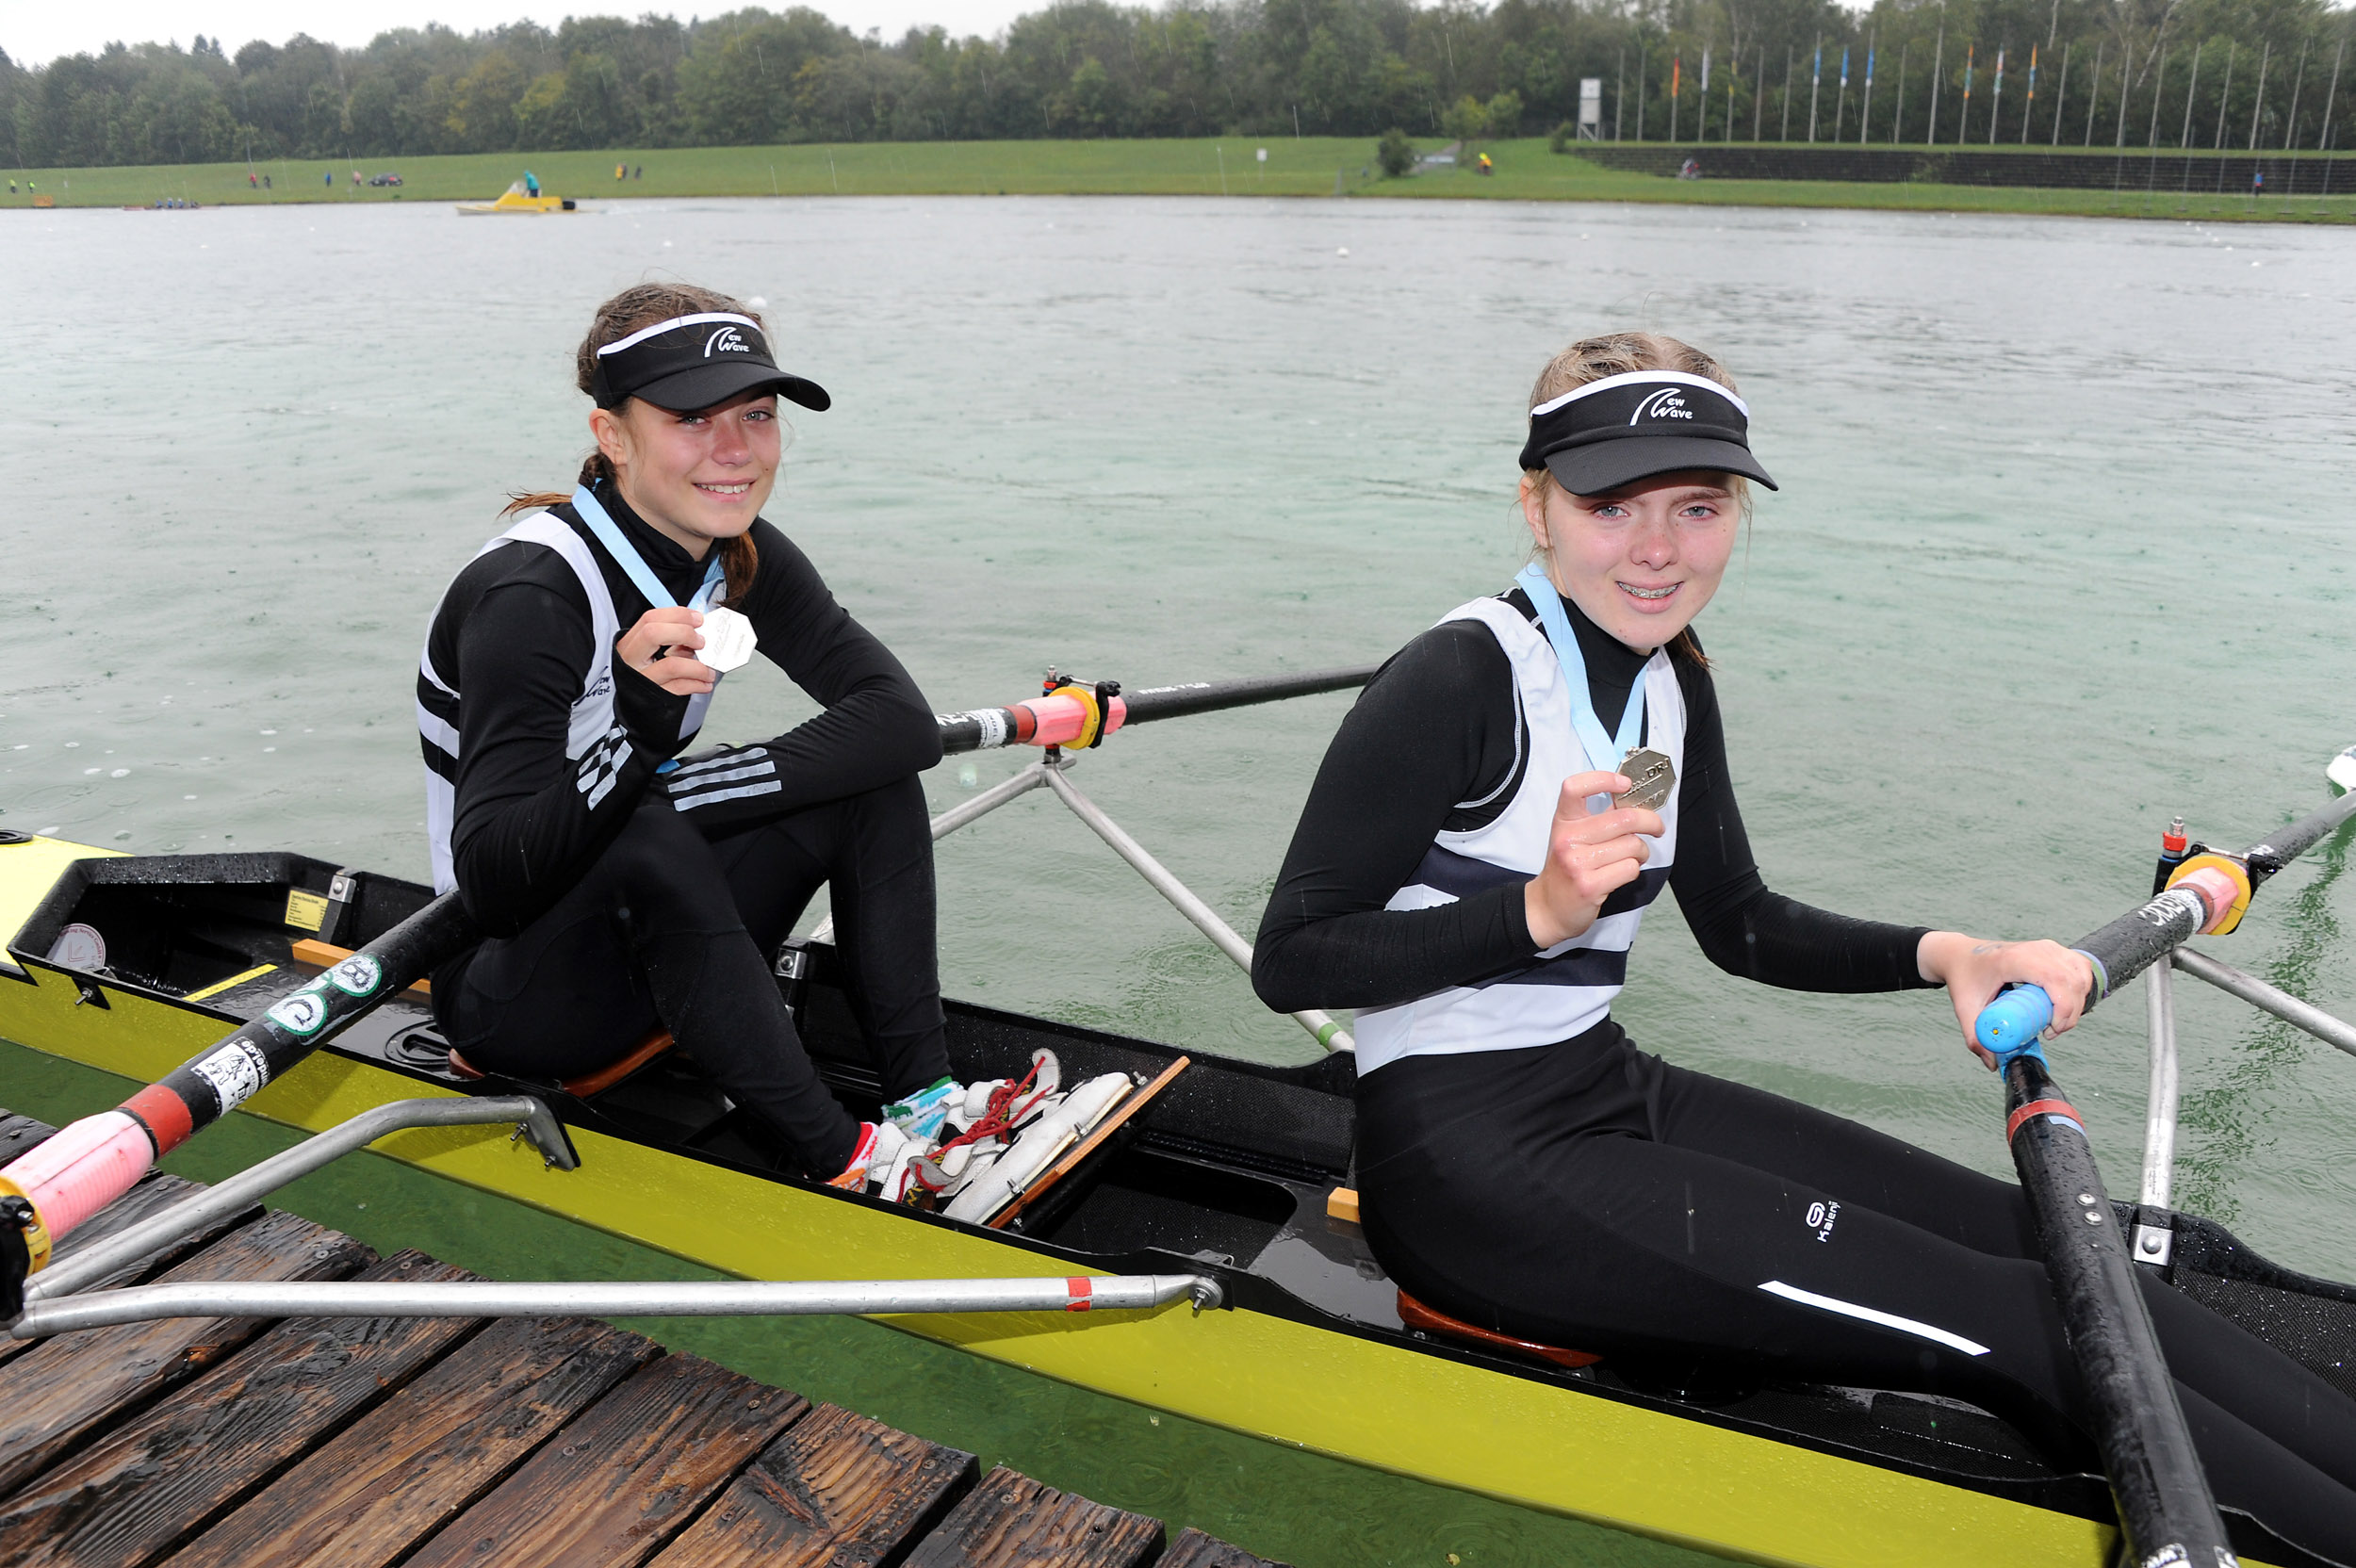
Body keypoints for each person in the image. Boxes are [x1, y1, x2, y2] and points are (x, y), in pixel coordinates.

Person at [1252, 331, 2356, 1556]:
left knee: (2058, 1231)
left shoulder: (1672, 675)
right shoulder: (1460, 677)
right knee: (2023, 1325)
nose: (1661, 547)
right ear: (1537, 505)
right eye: (1612, 503)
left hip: (1598, 1087)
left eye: (1700, 504)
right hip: (1465, 1167)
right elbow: (1292, 957)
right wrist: (1535, 914)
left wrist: (1950, 950)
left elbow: (1742, 926)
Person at [417, 282, 958, 1186]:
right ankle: (846, 1161)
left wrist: (664, 786)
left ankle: (929, 1106)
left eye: (756, 413)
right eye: (691, 418)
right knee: (644, 828)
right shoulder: (531, 596)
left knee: (871, 785)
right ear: (613, 437)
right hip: (511, 994)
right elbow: (496, 885)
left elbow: (901, 724)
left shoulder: (736, 550)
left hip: (646, 926)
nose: (736, 450)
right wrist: (632, 734)